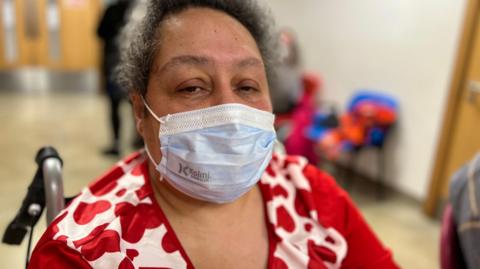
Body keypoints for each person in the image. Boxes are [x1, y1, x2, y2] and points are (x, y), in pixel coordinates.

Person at [28, 0, 399, 268]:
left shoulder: (313, 198)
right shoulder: (81, 253)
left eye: (248, 86)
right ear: (141, 110)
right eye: (192, 86)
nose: (230, 110)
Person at [97, 0, 133, 156]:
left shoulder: (112, 9)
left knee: (115, 106)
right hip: (134, 67)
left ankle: (116, 142)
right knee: (137, 105)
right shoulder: (138, 8)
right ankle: (140, 139)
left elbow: (99, 32)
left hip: (114, 66)